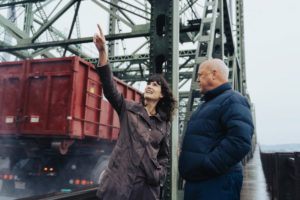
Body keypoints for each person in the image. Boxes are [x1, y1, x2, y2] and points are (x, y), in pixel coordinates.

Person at [93, 24, 176, 200]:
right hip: (118, 186)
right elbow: (109, 89)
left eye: (155, 85)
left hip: (145, 191)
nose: (149, 86)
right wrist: (102, 53)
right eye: (148, 83)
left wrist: (158, 175)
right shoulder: (128, 108)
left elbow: (164, 156)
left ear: (162, 95)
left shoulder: (164, 124)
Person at [179, 59, 254, 200]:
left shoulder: (234, 100)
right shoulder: (206, 104)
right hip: (200, 183)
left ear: (213, 74)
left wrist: (207, 165)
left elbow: (240, 141)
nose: (197, 79)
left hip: (215, 182)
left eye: (200, 75)